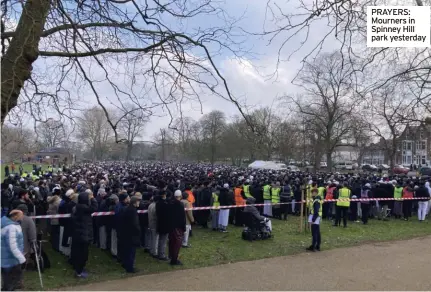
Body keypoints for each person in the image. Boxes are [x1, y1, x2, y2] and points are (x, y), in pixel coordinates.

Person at [70, 190, 98, 278]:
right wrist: (93, 198)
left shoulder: (77, 207)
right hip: (83, 235)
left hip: (79, 234)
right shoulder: (83, 208)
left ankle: (79, 269)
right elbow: (94, 208)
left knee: (80, 253)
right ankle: (79, 272)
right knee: (83, 254)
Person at [1, 210, 26, 291]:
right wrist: (22, 259)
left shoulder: (6, 225)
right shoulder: (11, 227)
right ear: (15, 216)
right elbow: (13, 247)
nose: (22, 217)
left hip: (6, 259)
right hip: (12, 259)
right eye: (21, 215)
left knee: (7, 283)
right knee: (11, 284)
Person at [122, 196, 141, 273]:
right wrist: (139, 231)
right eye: (138, 201)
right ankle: (130, 268)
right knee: (131, 252)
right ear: (134, 202)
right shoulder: (133, 211)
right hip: (132, 234)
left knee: (128, 251)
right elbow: (135, 224)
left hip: (127, 233)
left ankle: (127, 265)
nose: (139, 203)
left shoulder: (127, 209)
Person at [169, 191, 186, 265]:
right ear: (180, 196)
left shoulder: (170, 203)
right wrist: (184, 227)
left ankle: (171, 256)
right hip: (178, 226)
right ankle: (174, 260)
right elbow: (182, 217)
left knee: (172, 242)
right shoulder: (180, 205)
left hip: (171, 226)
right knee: (177, 244)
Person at [155, 190, 170, 261]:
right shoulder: (165, 204)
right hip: (165, 223)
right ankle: (162, 254)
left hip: (160, 223)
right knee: (163, 240)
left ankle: (160, 253)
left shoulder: (158, 203)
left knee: (161, 239)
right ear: (164, 195)